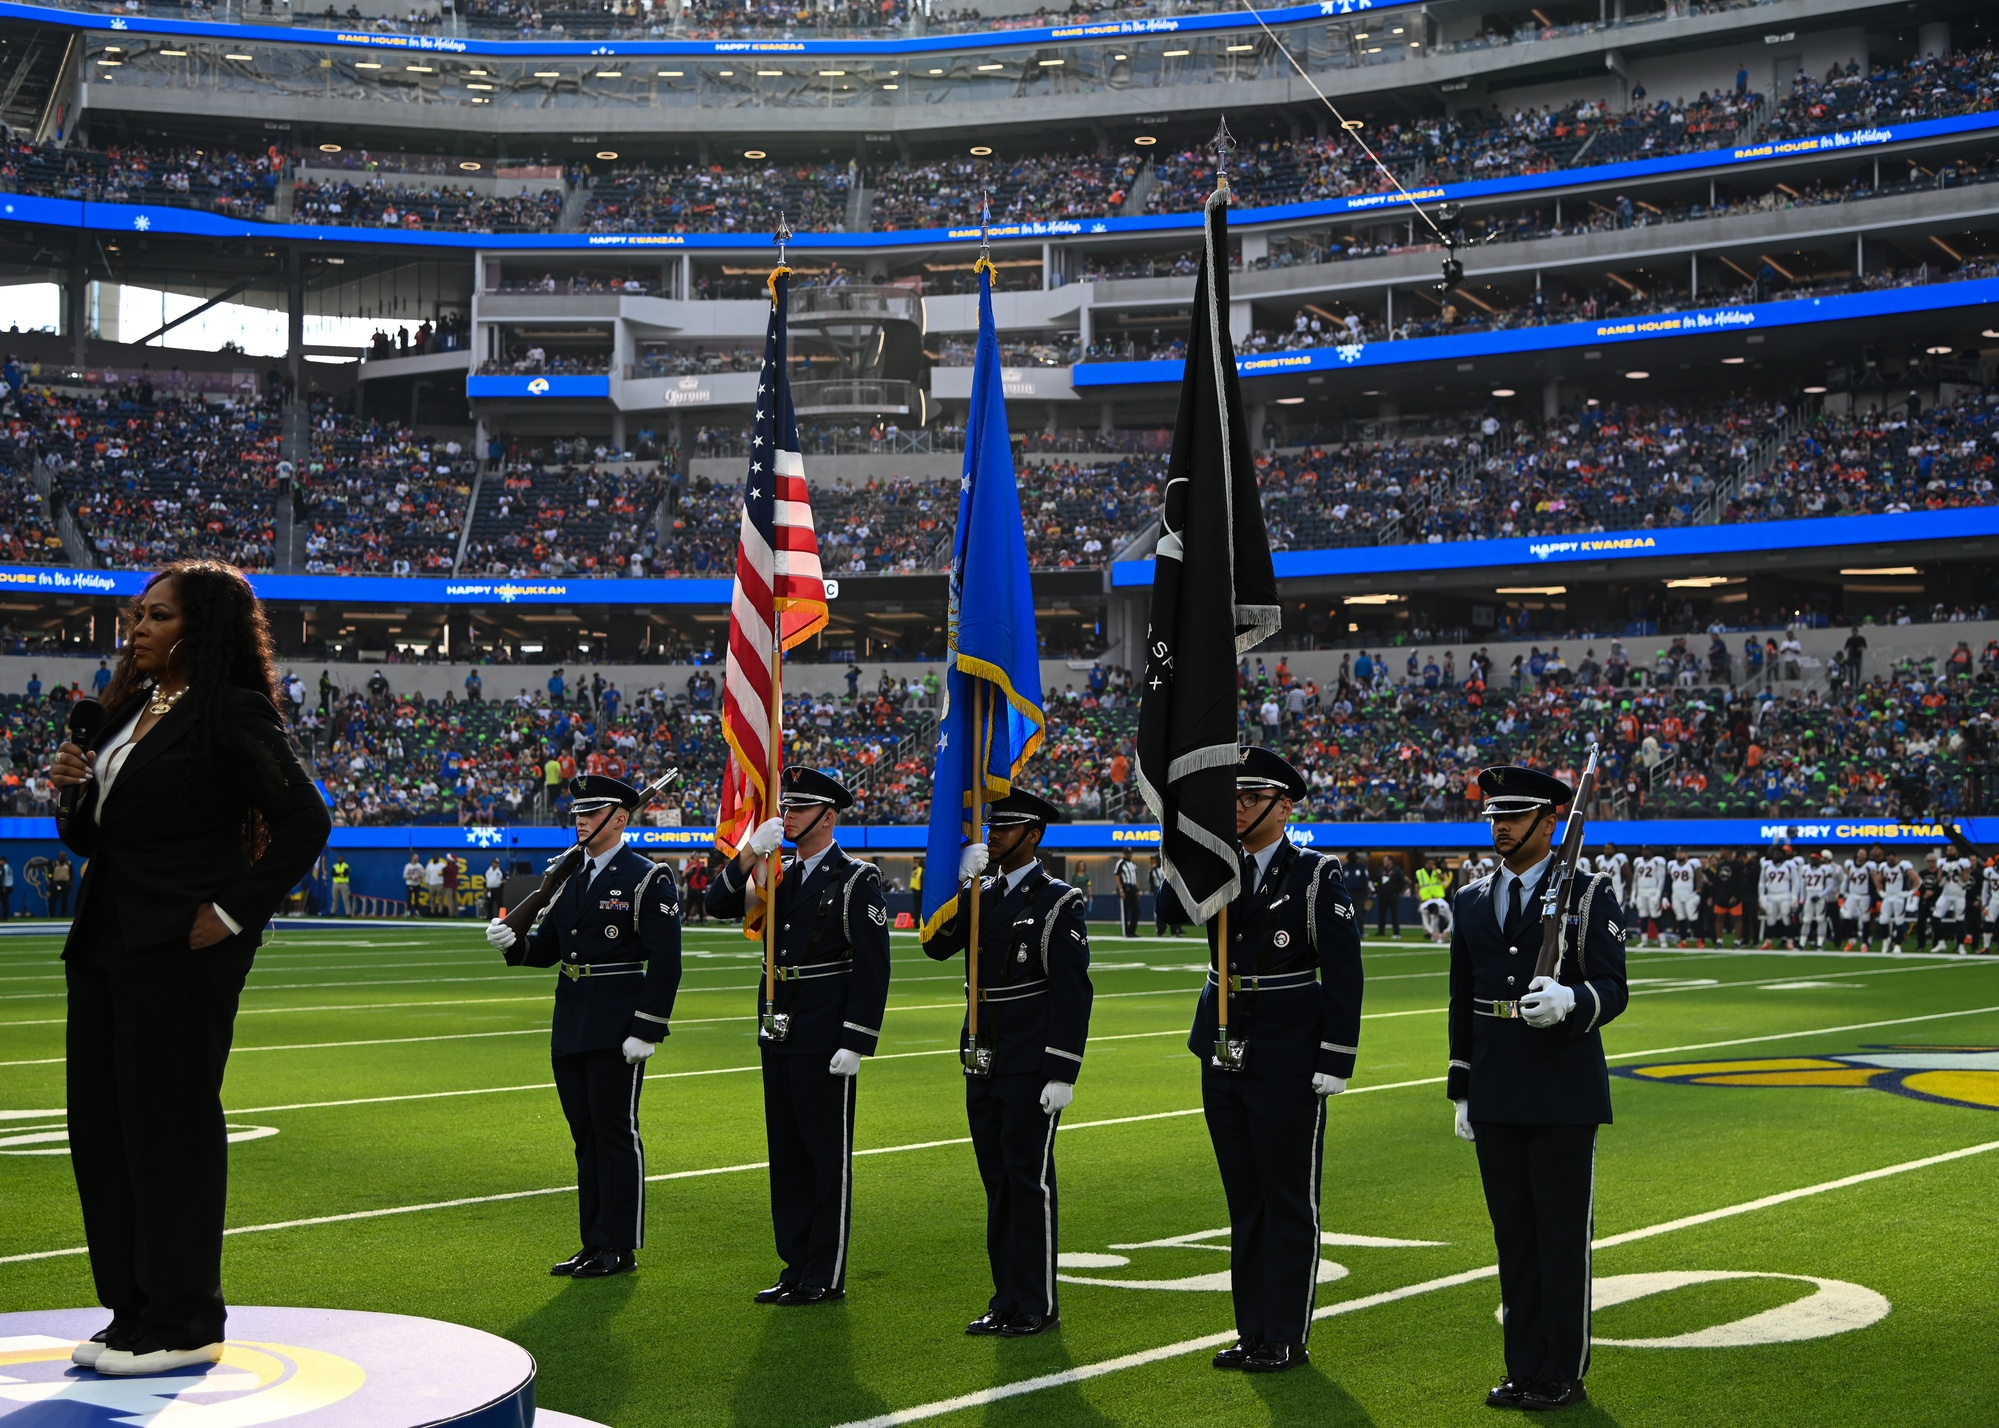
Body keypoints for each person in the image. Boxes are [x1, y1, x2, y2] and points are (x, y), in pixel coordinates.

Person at [49, 558, 331, 1375]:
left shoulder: (231, 710)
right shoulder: (126, 710)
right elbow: (93, 840)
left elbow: (304, 822)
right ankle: (131, 1308)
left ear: (200, 630)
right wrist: (71, 792)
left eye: (158, 616)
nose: (137, 627)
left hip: (181, 950)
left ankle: (184, 1318)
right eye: (137, 614)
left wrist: (233, 913)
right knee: (103, 1131)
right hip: (105, 945)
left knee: (166, 1131)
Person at [1447, 765, 1628, 1412]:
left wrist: (1571, 999)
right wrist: (1460, 1087)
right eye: (1493, 815)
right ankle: (1522, 1366)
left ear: (1550, 820)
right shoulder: (1470, 899)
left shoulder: (1586, 893)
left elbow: (1614, 989)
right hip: (1495, 1083)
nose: (1499, 826)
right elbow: (1460, 999)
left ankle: (1561, 1371)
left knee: (1558, 1237)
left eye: (1514, 815)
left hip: (1558, 1086)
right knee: (1512, 1236)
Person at [1195, 747, 1364, 1375]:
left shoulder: (1317, 874)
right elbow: (1166, 914)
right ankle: (1252, 1331)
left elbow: (1344, 971)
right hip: (1223, 1044)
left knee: (1288, 1197)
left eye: (1249, 798)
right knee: (1244, 1199)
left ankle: (1286, 1335)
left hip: (1290, 1051)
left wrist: (1336, 1056)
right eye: (1233, 798)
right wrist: (1187, 853)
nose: (1236, 808)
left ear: (1283, 806)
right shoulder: (1219, 866)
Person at [705, 767, 891, 1306]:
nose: (785, 817)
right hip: (778, 1025)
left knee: (824, 1156)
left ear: (827, 817)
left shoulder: (857, 879)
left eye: (798, 809)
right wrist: (746, 854)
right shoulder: (774, 872)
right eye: (785, 808)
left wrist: (856, 1039)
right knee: (786, 1155)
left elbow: (873, 967)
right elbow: (717, 905)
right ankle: (794, 1264)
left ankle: (824, 1272)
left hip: (825, 1033)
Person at [486, 776, 681, 1279]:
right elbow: (547, 949)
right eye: (577, 813)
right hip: (571, 1019)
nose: (580, 820)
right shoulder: (572, 875)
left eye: (591, 814)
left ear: (619, 819)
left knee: (616, 1135)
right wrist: (513, 944)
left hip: (618, 1025)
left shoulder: (647, 877)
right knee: (585, 1137)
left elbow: (666, 962)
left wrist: (648, 1028)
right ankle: (593, 1242)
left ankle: (621, 1245)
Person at [923, 789, 1093, 1336]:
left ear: (1034, 835)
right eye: (992, 826)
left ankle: (1037, 1303)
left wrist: (1063, 1069)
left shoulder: (1059, 901)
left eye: (1006, 827)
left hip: (1028, 1057)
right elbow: (936, 946)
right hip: (982, 1052)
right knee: (997, 1182)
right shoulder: (983, 891)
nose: (992, 834)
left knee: (1029, 1180)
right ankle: (1005, 1299)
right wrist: (964, 886)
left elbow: (1073, 992)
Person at [1374, 856, 1407, 938]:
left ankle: (1396, 931)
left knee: (1394, 913)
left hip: (1393, 895)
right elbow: (1376, 881)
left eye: (1386, 860)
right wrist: (1378, 891)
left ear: (1390, 861)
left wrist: (1397, 892)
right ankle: (1381, 930)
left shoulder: (1397, 870)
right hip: (1382, 895)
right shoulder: (1381, 870)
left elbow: (1402, 882)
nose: (1384, 862)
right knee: (1382, 913)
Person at [1114, 852, 1140, 937]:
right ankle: (1125, 932)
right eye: (1127, 853)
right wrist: (1121, 890)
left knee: (1136, 910)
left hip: (1132, 888)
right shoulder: (1120, 863)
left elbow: (1134, 877)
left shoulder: (1133, 864)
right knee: (1125, 911)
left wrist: (1137, 889)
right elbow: (1117, 876)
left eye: (1130, 853)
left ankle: (1132, 931)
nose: (1129, 855)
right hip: (1125, 888)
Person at [50, 852, 72, 917]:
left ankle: (63, 915)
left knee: (64, 900)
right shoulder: (55, 864)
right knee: (53, 900)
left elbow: (71, 874)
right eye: (61, 856)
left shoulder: (68, 864)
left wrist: (70, 882)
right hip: (56, 884)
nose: (63, 857)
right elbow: (50, 873)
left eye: (64, 856)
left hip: (65, 884)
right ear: (59, 856)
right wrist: (51, 881)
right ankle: (52, 914)